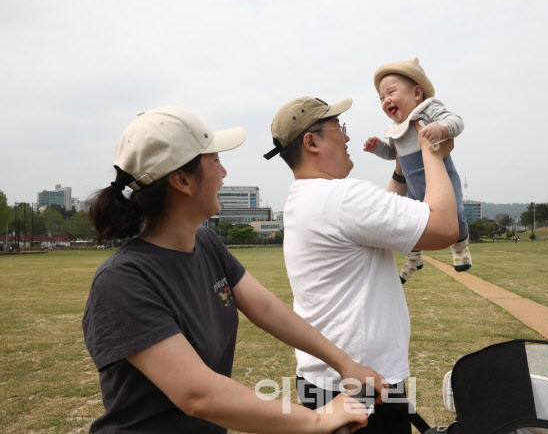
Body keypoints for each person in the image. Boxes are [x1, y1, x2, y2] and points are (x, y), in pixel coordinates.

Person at [82, 106, 389, 434]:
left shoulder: (205, 243)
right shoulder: (122, 281)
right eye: (214, 160)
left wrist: (345, 364)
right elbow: (199, 396)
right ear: (182, 180)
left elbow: (267, 308)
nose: (224, 172)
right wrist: (316, 419)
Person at [263, 96, 460, 433]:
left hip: (329, 378)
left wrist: (400, 170)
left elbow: (377, 222)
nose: (347, 137)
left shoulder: (306, 198)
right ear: (311, 142)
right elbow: (444, 228)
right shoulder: (342, 197)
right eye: (339, 128)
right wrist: (431, 150)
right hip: (363, 384)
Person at [364, 57, 471, 282]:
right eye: (382, 98)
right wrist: (378, 148)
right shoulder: (397, 128)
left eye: (391, 92)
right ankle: (414, 260)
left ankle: (460, 248)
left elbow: (457, 121)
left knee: (457, 214)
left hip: (443, 180)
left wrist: (441, 129)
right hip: (413, 186)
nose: (386, 100)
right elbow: (394, 155)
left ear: (417, 93)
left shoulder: (428, 111)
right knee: (408, 224)